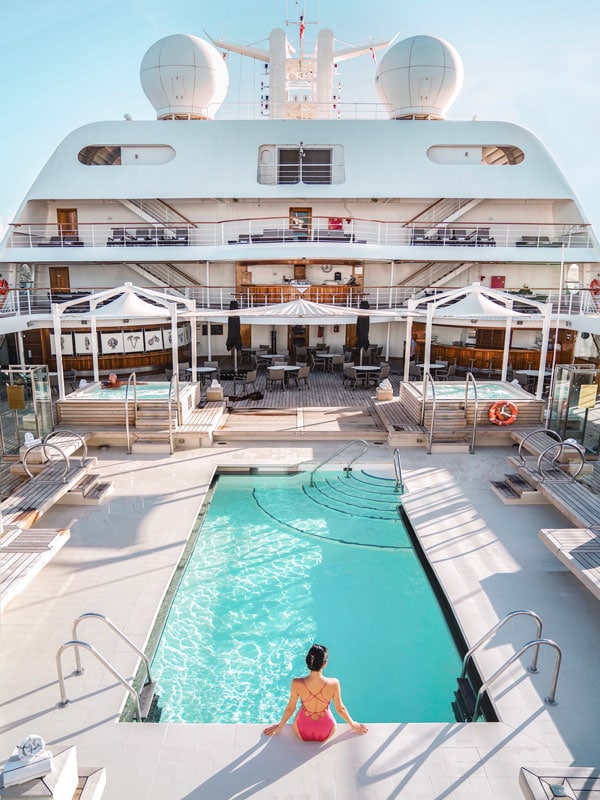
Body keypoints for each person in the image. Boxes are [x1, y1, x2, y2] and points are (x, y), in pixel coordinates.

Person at [263, 644, 368, 741]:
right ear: (325, 663)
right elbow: (340, 709)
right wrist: (353, 724)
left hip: (301, 732)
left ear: (308, 661)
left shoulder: (296, 683)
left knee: (302, 705)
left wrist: (279, 727)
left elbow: (290, 708)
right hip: (327, 731)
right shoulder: (334, 683)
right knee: (326, 707)